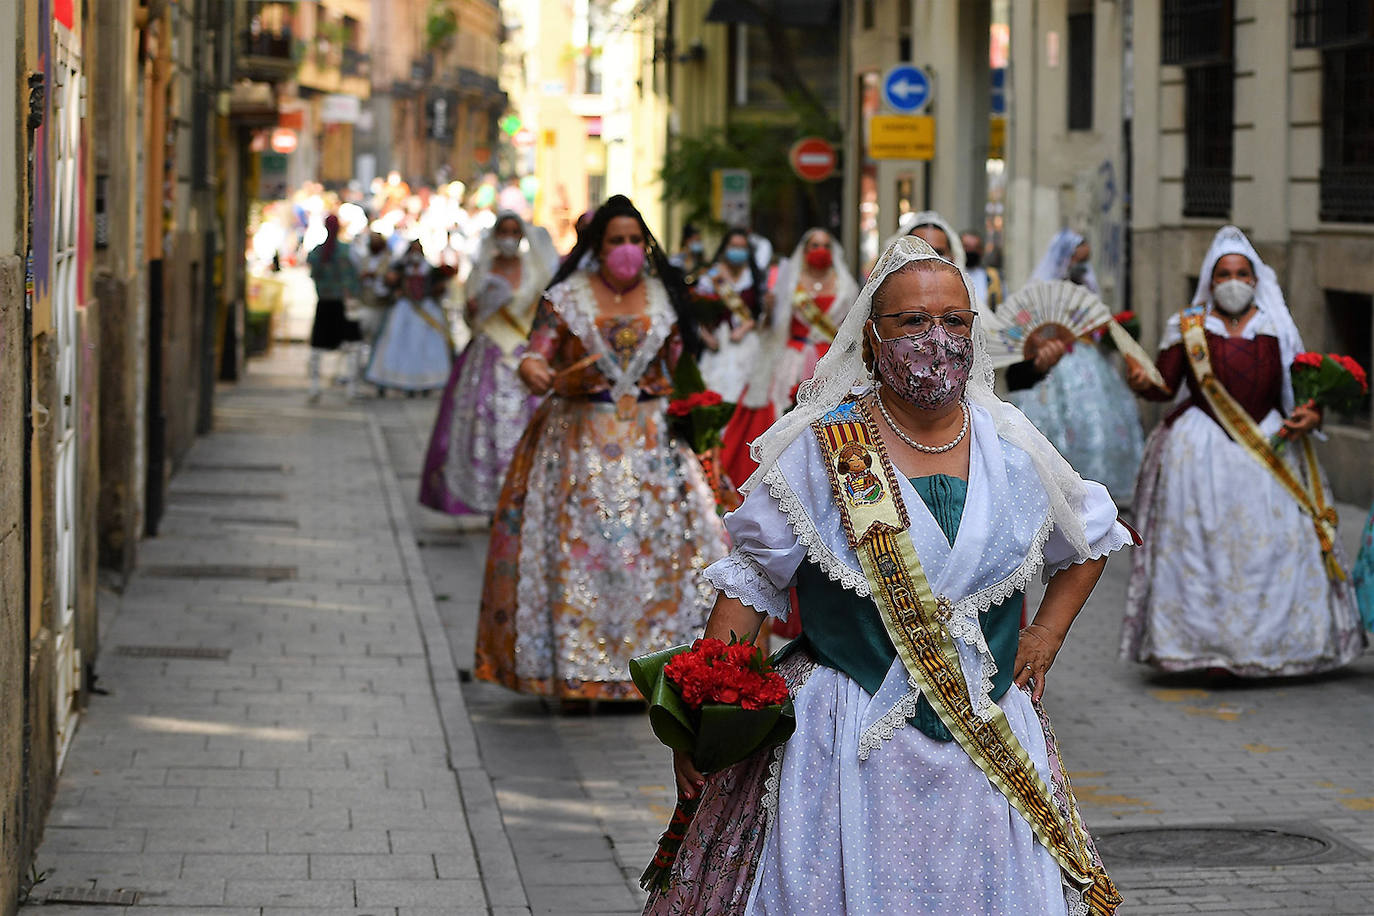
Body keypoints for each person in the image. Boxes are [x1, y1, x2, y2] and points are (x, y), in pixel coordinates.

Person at [645, 236, 1131, 916]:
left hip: (984, 738)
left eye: (955, 321)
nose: (938, 339)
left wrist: (1045, 633)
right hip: (844, 738)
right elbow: (751, 584)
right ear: (872, 339)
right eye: (913, 322)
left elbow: (1091, 540)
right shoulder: (822, 446)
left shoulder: (1011, 444)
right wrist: (707, 721)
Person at [474, 195, 729, 703]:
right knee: (582, 554)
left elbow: (683, 371)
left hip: (654, 444)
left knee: (659, 553)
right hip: (576, 442)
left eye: (636, 240)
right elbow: (535, 352)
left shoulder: (665, 298)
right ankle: (578, 670)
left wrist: (699, 423)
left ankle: (662, 669)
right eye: (617, 241)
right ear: (598, 246)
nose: (628, 249)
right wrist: (532, 368)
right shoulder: (566, 298)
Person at [1120, 225, 1365, 677]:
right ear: (1210, 281)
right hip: (1199, 456)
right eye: (1223, 274)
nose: (1233, 281)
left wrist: (1313, 416)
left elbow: (1298, 393)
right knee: (1200, 552)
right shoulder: (1189, 326)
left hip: (1269, 451)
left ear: (1256, 279)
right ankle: (1200, 650)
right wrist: (1141, 381)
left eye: (1241, 272)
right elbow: (1165, 388)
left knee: (1274, 549)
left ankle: (1282, 648)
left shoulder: (1277, 326)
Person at [419, 212, 558, 516]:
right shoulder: (482, 272)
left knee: (524, 425)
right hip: (486, 354)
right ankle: (487, 496)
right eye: (503, 232)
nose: (509, 238)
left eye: (514, 232)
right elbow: (470, 319)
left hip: (521, 354)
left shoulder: (534, 271)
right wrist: (473, 308)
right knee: (480, 422)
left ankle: (520, 496)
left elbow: (545, 316)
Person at [1004, 229, 1144, 502]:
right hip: (1054, 367)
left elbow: (1095, 328)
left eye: (1086, 260)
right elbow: (1028, 332)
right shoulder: (1042, 292)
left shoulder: (1086, 290)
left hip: (1088, 361)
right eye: (1076, 260)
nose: (1081, 267)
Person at [720, 228, 859, 488]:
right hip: (792, 360)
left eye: (825, 245)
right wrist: (771, 308)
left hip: (829, 362)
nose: (820, 250)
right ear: (805, 250)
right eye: (814, 245)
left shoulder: (845, 284)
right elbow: (773, 327)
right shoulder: (789, 280)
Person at [364, 239, 454, 394]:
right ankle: (390, 380)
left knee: (425, 345)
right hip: (405, 309)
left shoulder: (430, 270)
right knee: (396, 342)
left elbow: (440, 290)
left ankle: (425, 382)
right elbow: (385, 286)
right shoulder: (400, 268)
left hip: (424, 311)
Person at [695, 228, 767, 403]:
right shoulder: (711, 277)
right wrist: (706, 337)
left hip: (748, 344)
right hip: (718, 344)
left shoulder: (754, 277)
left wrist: (749, 325)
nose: (738, 251)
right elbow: (696, 314)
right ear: (725, 247)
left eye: (742, 247)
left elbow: (762, 315)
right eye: (734, 246)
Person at [306, 214, 364, 402]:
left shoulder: (317, 252)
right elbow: (357, 273)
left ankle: (316, 387)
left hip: (326, 303)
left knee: (319, 348)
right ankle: (350, 388)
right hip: (341, 304)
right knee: (351, 347)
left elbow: (313, 274)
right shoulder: (347, 251)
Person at [962, 229, 1003, 310]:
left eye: (976, 247)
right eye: (967, 247)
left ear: (981, 250)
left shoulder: (993, 276)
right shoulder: (951, 274)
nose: (971, 251)